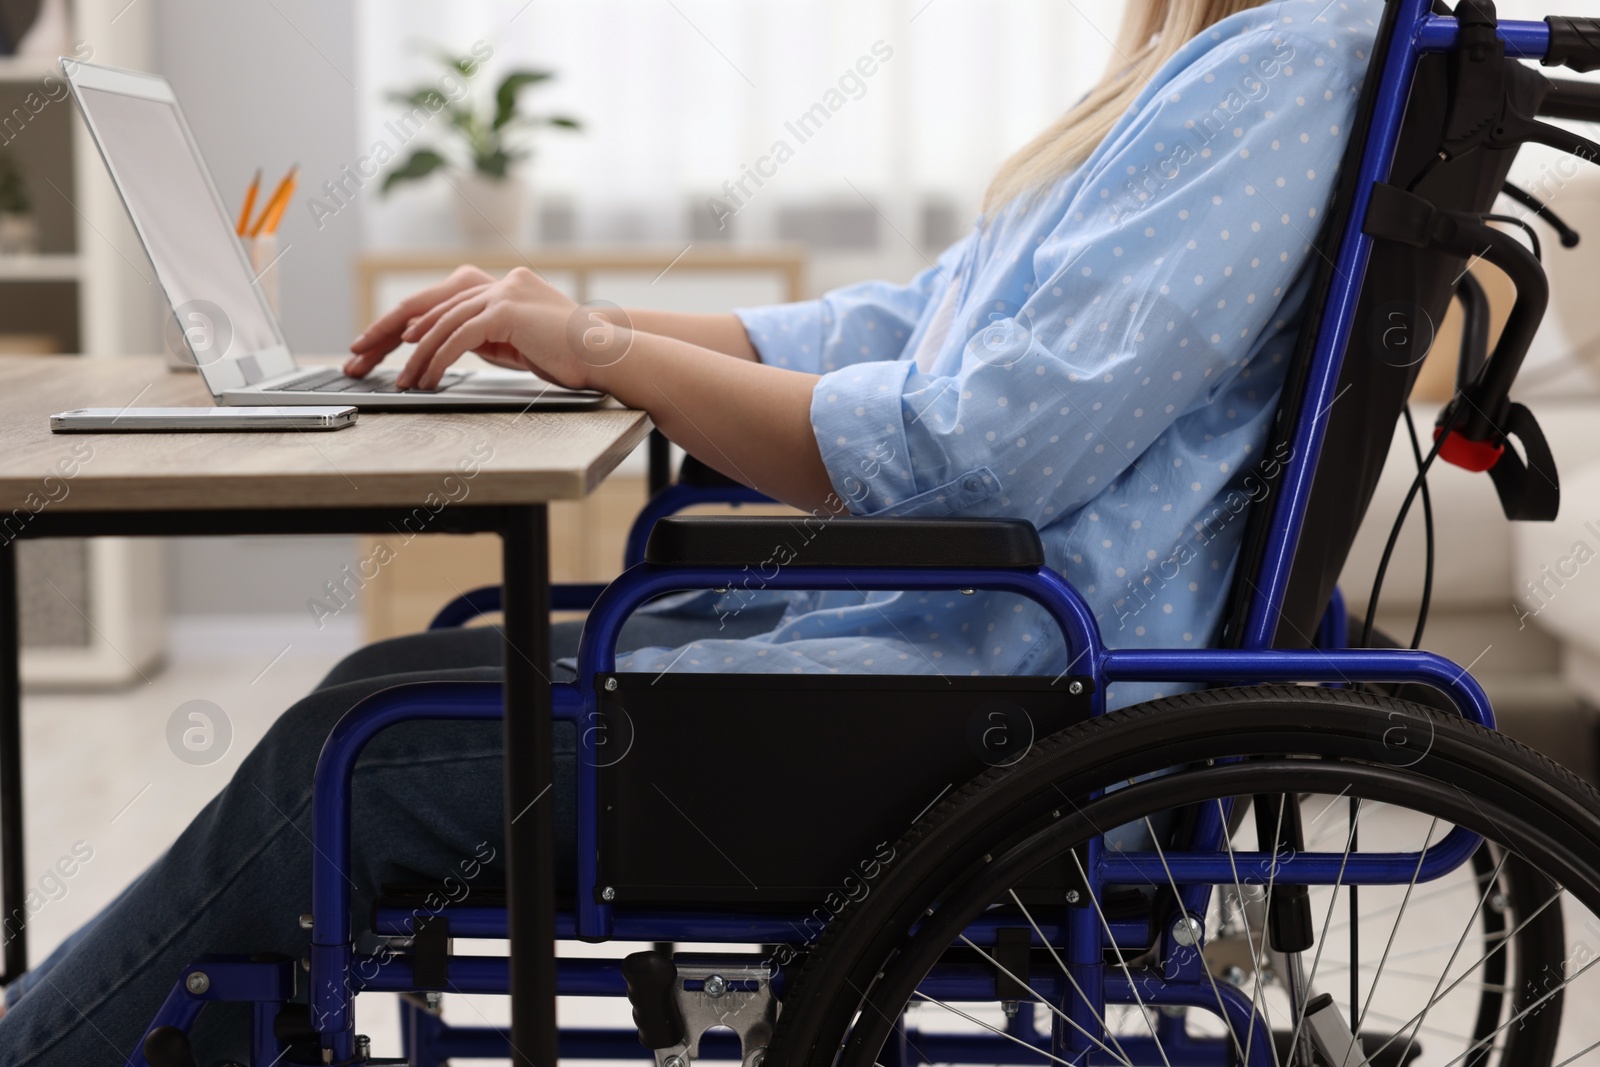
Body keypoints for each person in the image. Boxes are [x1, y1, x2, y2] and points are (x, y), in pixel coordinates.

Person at [0, 0, 1378, 1060]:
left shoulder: (1280, 65)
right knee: (373, 694)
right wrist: (575, 322)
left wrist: (601, 343)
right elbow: (906, 331)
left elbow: (981, 450)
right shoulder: (1231, 62)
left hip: (992, 714)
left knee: (342, 762)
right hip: (969, 677)